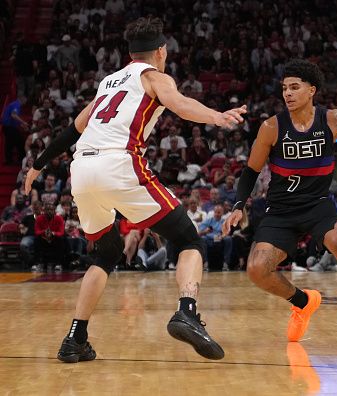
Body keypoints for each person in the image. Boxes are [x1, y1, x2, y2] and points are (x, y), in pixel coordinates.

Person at [24, 17, 246, 363]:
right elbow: (180, 103)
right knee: (189, 239)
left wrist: (38, 164)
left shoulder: (107, 84)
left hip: (81, 170)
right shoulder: (154, 76)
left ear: (130, 53)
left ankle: (75, 338)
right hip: (119, 164)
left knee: (105, 252)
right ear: (161, 51)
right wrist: (218, 116)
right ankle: (187, 311)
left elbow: (73, 130)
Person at [223, 59, 337, 350]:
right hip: (280, 209)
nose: (288, 94)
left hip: (318, 204)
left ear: (311, 90)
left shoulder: (334, 120)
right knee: (256, 269)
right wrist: (238, 205)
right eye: (284, 88)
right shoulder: (271, 127)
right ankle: (302, 302)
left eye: (295, 87)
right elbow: (251, 171)